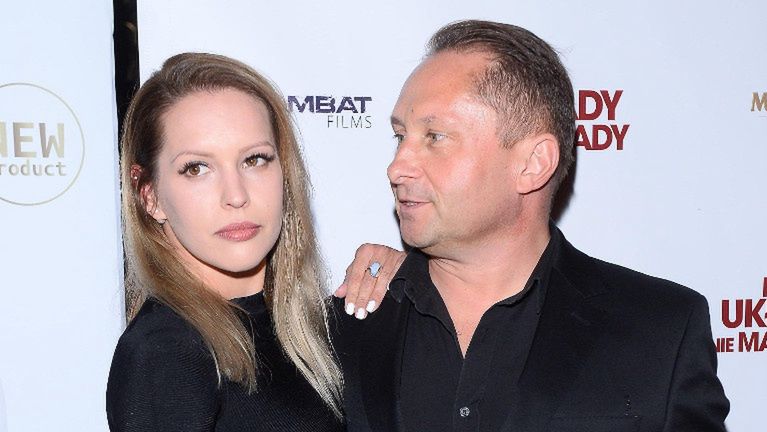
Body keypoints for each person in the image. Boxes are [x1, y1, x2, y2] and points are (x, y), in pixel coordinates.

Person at [334, 20, 730, 432]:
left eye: (435, 136)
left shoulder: (660, 331)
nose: (397, 167)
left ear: (533, 163)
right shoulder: (339, 329)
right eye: (400, 136)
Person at [107, 52, 354, 431]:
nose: (236, 195)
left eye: (254, 160)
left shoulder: (315, 328)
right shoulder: (167, 352)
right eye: (197, 168)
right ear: (150, 196)